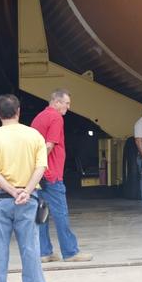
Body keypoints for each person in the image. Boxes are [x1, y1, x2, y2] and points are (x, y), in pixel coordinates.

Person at [0, 94, 48, 282]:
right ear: (19, 111)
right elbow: (41, 167)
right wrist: (25, 192)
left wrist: (11, 191)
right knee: (30, 247)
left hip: (0, 200)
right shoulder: (34, 136)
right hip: (28, 200)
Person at [32, 89, 92, 263]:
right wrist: (44, 165)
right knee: (61, 214)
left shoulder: (39, 118)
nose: (68, 107)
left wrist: (37, 169)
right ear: (56, 102)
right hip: (51, 174)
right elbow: (49, 145)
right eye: (66, 103)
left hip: (39, 175)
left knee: (41, 214)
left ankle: (44, 252)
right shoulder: (56, 117)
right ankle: (70, 252)